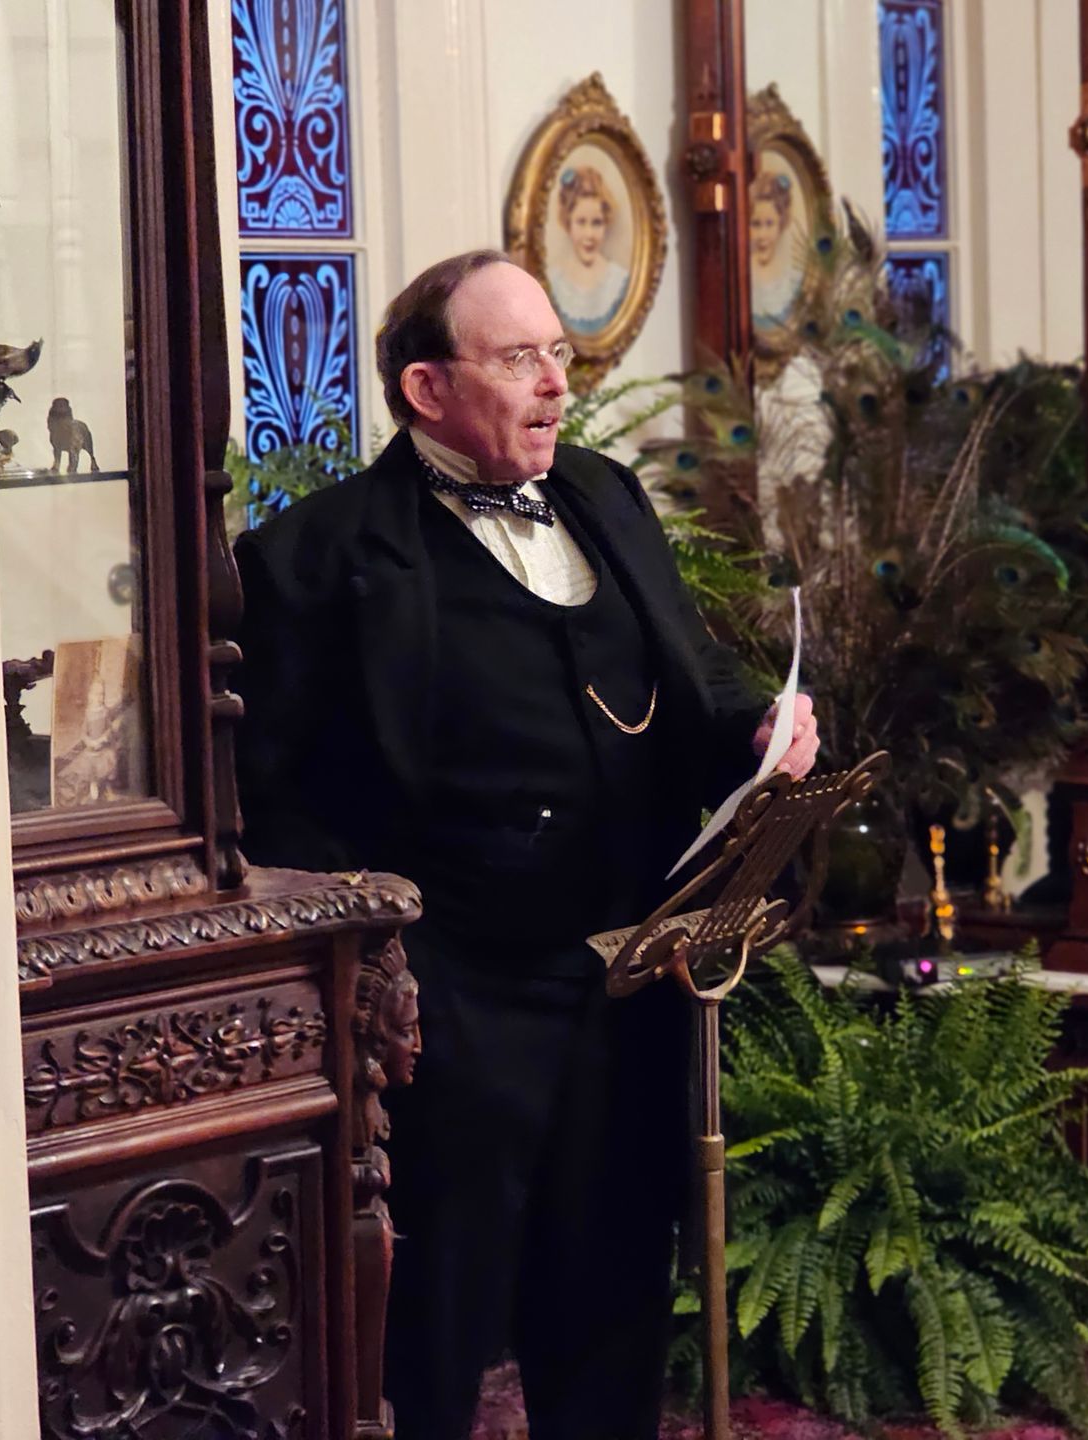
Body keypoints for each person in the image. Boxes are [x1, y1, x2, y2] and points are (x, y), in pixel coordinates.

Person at [233, 250, 817, 1440]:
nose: (557, 385)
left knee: (607, 1303)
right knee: (435, 1325)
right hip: (453, 1001)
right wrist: (388, 973)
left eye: (560, 354)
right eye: (519, 360)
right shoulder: (314, 561)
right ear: (427, 390)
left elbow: (691, 676)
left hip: (628, 972)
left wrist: (757, 722)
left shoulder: (607, 493)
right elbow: (273, 807)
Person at [547, 165, 629, 333]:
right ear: (568, 223)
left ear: (606, 223)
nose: (589, 234)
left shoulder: (620, 283)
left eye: (596, 223)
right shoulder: (553, 283)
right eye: (581, 222)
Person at [749, 169, 803, 330]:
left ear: (781, 224)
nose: (762, 235)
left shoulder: (793, 281)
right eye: (756, 224)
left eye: (769, 224)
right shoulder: (739, 279)